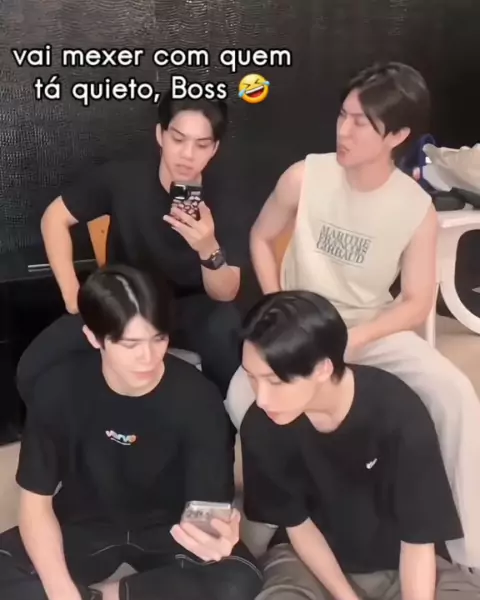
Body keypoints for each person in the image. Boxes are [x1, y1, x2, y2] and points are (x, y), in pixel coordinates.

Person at [229, 61, 480, 569]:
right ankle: (278, 528)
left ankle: (469, 552)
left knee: (454, 394)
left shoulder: (416, 208)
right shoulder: (304, 176)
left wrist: (358, 338)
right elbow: (261, 237)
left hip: (369, 326)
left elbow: (415, 302)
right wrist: (280, 308)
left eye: (362, 123)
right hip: (301, 323)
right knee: (242, 398)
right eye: (343, 115)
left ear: (398, 136)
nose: (344, 131)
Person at [0, 265, 262, 600]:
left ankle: (104, 596)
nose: (148, 358)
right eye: (130, 344)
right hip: (83, 523)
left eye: (158, 339)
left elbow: (206, 507)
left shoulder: (199, 397)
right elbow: (35, 504)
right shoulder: (58, 388)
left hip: (168, 527)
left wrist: (215, 533)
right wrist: (60, 590)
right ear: (94, 338)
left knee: (239, 579)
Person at [226, 290, 480, 600]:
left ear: (323, 368)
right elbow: (299, 527)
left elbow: (417, 542)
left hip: (399, 561)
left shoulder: (396, 412)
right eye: (252, 378)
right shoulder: (262, 424)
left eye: (275, 381)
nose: (262, 398)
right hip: (307, 564)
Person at [40, 90, 248, 396]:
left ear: (214, 148)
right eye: (178, 139)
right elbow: (54, 217)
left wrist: (207, 248)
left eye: (201, 144)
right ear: (160, 135)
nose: (188, 154)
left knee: (225, 331)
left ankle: (218, 420)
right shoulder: (124, 178)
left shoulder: (227, 196)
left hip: (194, 308)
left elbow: (226, 292)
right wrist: (73, 295)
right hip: (127, 300)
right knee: (39, 364)